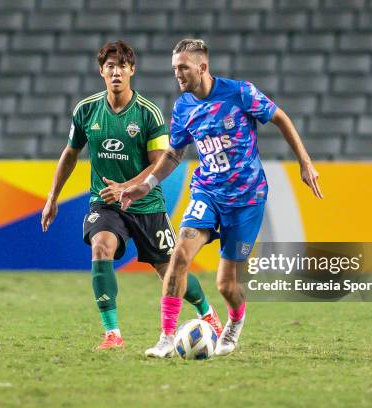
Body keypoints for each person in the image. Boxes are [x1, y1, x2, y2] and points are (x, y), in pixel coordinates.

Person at [120, 39, 323, 358]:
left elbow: (280, 117)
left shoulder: (240, 93)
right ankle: (166, 337)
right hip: (207, 192)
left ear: (202, 67)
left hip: (246, 198)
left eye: (183, 68)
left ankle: (235, 322)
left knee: (226, 285)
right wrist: (146, 184)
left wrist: (305, 161)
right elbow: (174, 152)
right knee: (179, 257)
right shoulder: (184, 106)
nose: (178, 74)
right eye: (174, 69)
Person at [41, 41, 222, 351]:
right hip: (106, 202)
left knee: (170, 270)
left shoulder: (148, 113)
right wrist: (52, 196)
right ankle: (113, 333)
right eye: (110, 66)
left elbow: (158, 164)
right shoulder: (86, 111)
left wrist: (126, 188)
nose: (116, 72)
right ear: (101, 71)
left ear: (131, 71)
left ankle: (207, 312)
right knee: (101, 247)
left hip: (146, 204)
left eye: (121, 66)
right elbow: (70, 154)